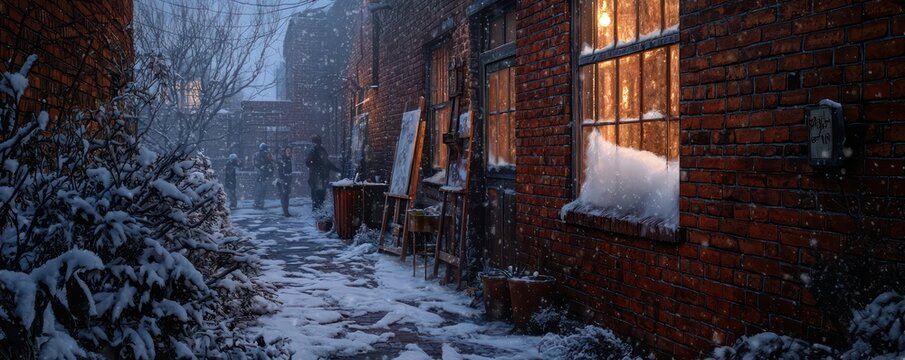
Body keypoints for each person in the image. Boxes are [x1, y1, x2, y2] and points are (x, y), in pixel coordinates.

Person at [305, 135, 340, 212]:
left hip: (322, 178)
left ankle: (319, 214)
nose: (316, 144)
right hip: (316, 179)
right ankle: (317, 215)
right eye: (315, 142)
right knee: (316, 199)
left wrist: (337, 170)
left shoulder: (321, 151)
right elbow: (308, 163)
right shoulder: (313, 151)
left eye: (317, 142)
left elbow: (327, 163)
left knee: (320, 198)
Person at [253, 143, 274, 209]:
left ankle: (258, 203)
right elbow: (269, 164)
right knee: (261, 190)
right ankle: (259, 203)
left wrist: (264, 168)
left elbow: (256, 164)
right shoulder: (265, 155)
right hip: (263, 176)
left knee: (259, 190)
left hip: (261, 175)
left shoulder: (260, 155)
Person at [277, 146, 293, 217]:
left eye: (290, 150)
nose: (289, 152)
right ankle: (285, 212)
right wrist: (282, 179)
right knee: (284, 196)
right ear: (285, 152)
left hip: (287, 180)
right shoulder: (284, 159)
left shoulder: (288, 159)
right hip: (284, 180)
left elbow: (289, 171)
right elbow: (280, 170)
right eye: (288, 151)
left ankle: (286, 211)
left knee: (286, 196)